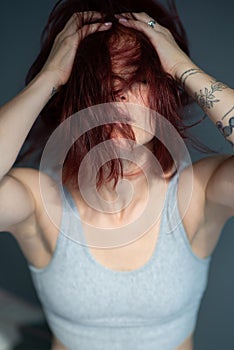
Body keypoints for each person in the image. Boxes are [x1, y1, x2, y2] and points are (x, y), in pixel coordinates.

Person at [0, 0, 233, 349]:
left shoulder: (197, 195)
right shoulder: (39, 203)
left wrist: (181, 67)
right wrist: (51, 76)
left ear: (162, 94)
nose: (118, 95)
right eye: (101, 82)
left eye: (138, 78)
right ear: (72, 103)